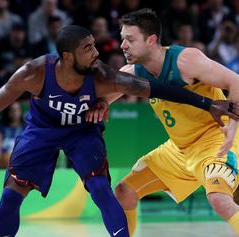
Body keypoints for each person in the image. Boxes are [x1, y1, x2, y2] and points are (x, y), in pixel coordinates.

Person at [0, 25, 239, 237]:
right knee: (11, 196)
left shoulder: (103, 75)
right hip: (42, 130)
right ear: (67, 57)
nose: (97, 52)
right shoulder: (34, 72)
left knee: (103, 190)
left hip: (82, 132)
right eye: (88, 48)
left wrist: (205, 103)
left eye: (95, 45)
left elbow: (155, 88)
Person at [87, 9, 239, 236]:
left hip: (215, 141)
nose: (123, 46)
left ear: (151, 40)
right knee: (124, 191)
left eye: (130, 39)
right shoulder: (132, 74)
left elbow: (235, 81)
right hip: (178, 150)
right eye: (122, 39)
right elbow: (98, 100)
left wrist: (233, 129)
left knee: (219, 199)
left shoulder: (186, 60)